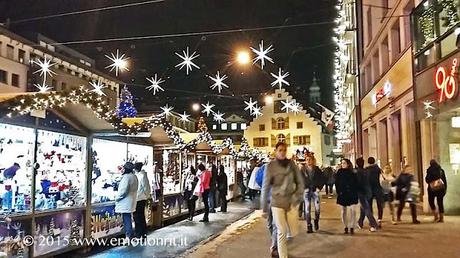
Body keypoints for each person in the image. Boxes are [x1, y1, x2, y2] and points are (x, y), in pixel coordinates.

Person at [261, 142, 304, 258]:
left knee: (293, 231)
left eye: (284, 150)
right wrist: (264, 207)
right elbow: (265, 187)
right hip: (277, 201)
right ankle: (282, 256)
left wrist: (298, 197)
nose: (282, 152)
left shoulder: (292, 165)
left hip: (290, 201)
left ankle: (281, 250)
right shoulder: (270, 166)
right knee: (281, 230)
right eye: (280, 150)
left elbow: (300, 181)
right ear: (275, 151)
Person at [256, 160, 277, 257]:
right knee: (270, 223)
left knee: (274, 224)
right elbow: (259, 181)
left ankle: (274, 245)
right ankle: (274, 239)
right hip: (268, 201)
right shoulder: (264, 169)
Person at [115, 162, 139, 239]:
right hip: (131, 201)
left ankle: (128, 236)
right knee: (128, 218)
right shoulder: (134, 177)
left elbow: (123, 191)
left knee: (126, 219)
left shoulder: (126, 177)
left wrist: (117, 197)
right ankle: (129, 234)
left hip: (125, 202)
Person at [301, 155, 324, 233]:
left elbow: (322, 179)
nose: (308, 161)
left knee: (317, 209)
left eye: (310, 159)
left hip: (315, 191)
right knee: (307, 209)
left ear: (313, 160)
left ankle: (316, 220)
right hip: (306, 192)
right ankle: (309, 225)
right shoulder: (303, 170)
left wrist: (319, 188)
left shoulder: (317, 170)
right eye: (307, 160)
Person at [336, 159, 359, 235]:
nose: (343, 164)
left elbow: (356, 182)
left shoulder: (353, 172)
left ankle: (352, 226)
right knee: (343, 211)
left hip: (352, 193)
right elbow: (337, 183)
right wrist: (339, 192)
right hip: (343, 194)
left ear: (348, 164)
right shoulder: (339, 172)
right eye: (342, 163)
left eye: (344, 163)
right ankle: (345, 226)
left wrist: (356, 191)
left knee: (353, 211)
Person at [356, 158, 378, 232]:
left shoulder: (358, 172)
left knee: (366, 208)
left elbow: (358, 184)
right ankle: (360, 222)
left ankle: (373, 224)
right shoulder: (367, 171)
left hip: (362, 192)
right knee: (364, 207)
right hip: (368, 191)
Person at [133, 162, 151, 238]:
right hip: (138, 198)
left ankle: (140, 232)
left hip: (140, 198)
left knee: (138, 216)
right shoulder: (139, 175)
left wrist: (147, 196)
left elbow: (146, 187)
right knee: (139, 216)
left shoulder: (142, 176)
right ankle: (141, 232)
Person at [366, 157, 384, 227]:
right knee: (379, 205)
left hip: (369, 189)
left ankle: (372, 220)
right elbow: (382, 179)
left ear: (368, 162)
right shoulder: (378, 169)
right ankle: (379, 219)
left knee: (369, 205)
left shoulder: (366, 170)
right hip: (378, 188)